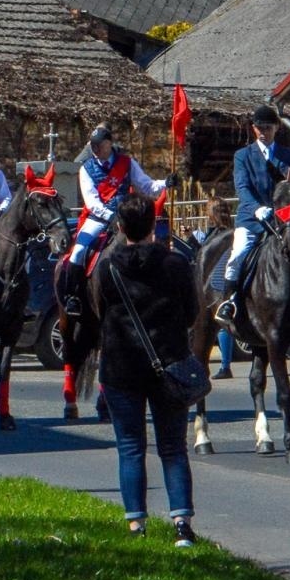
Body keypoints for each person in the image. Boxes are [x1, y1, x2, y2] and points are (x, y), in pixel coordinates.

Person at [95, 194, 200, 547]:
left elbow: (101, 311)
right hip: (168, 364)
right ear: (154, 224)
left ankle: (136, 525)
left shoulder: (107, 267)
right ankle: (182, 524)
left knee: (130, 448)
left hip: (121, 367)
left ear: (121, 228)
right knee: (173, 448)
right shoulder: (176, 264)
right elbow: (192, 313)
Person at [62, 124, 171, 316]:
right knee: (78, 252)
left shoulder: (126, 163)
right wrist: (110, 216)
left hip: (127, 217)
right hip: (98, 219)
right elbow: (91, 201)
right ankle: (73, 297)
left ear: (109, 143)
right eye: (93, 146)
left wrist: (166, 183)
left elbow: (146, 186)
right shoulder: (86, 169)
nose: (95, 150)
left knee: (155, 246)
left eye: (99, 145)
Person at [214, 105, 290, 327]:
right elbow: (242, 187)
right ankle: (229, 301)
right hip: (251, 219)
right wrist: (256, 208)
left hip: (282, 220)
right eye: (260, 128)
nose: (264, 132)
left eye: (268, 128)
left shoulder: (288, 155)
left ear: (277, 128)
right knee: (238, 254)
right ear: (254, 129)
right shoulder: (242, 156)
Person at [193, 197, 238, 379]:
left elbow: (203, 252)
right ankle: (225, 364)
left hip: (218, 281)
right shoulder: (220, 231)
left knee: (217, 323)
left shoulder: (219, 233)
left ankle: (225, 364)